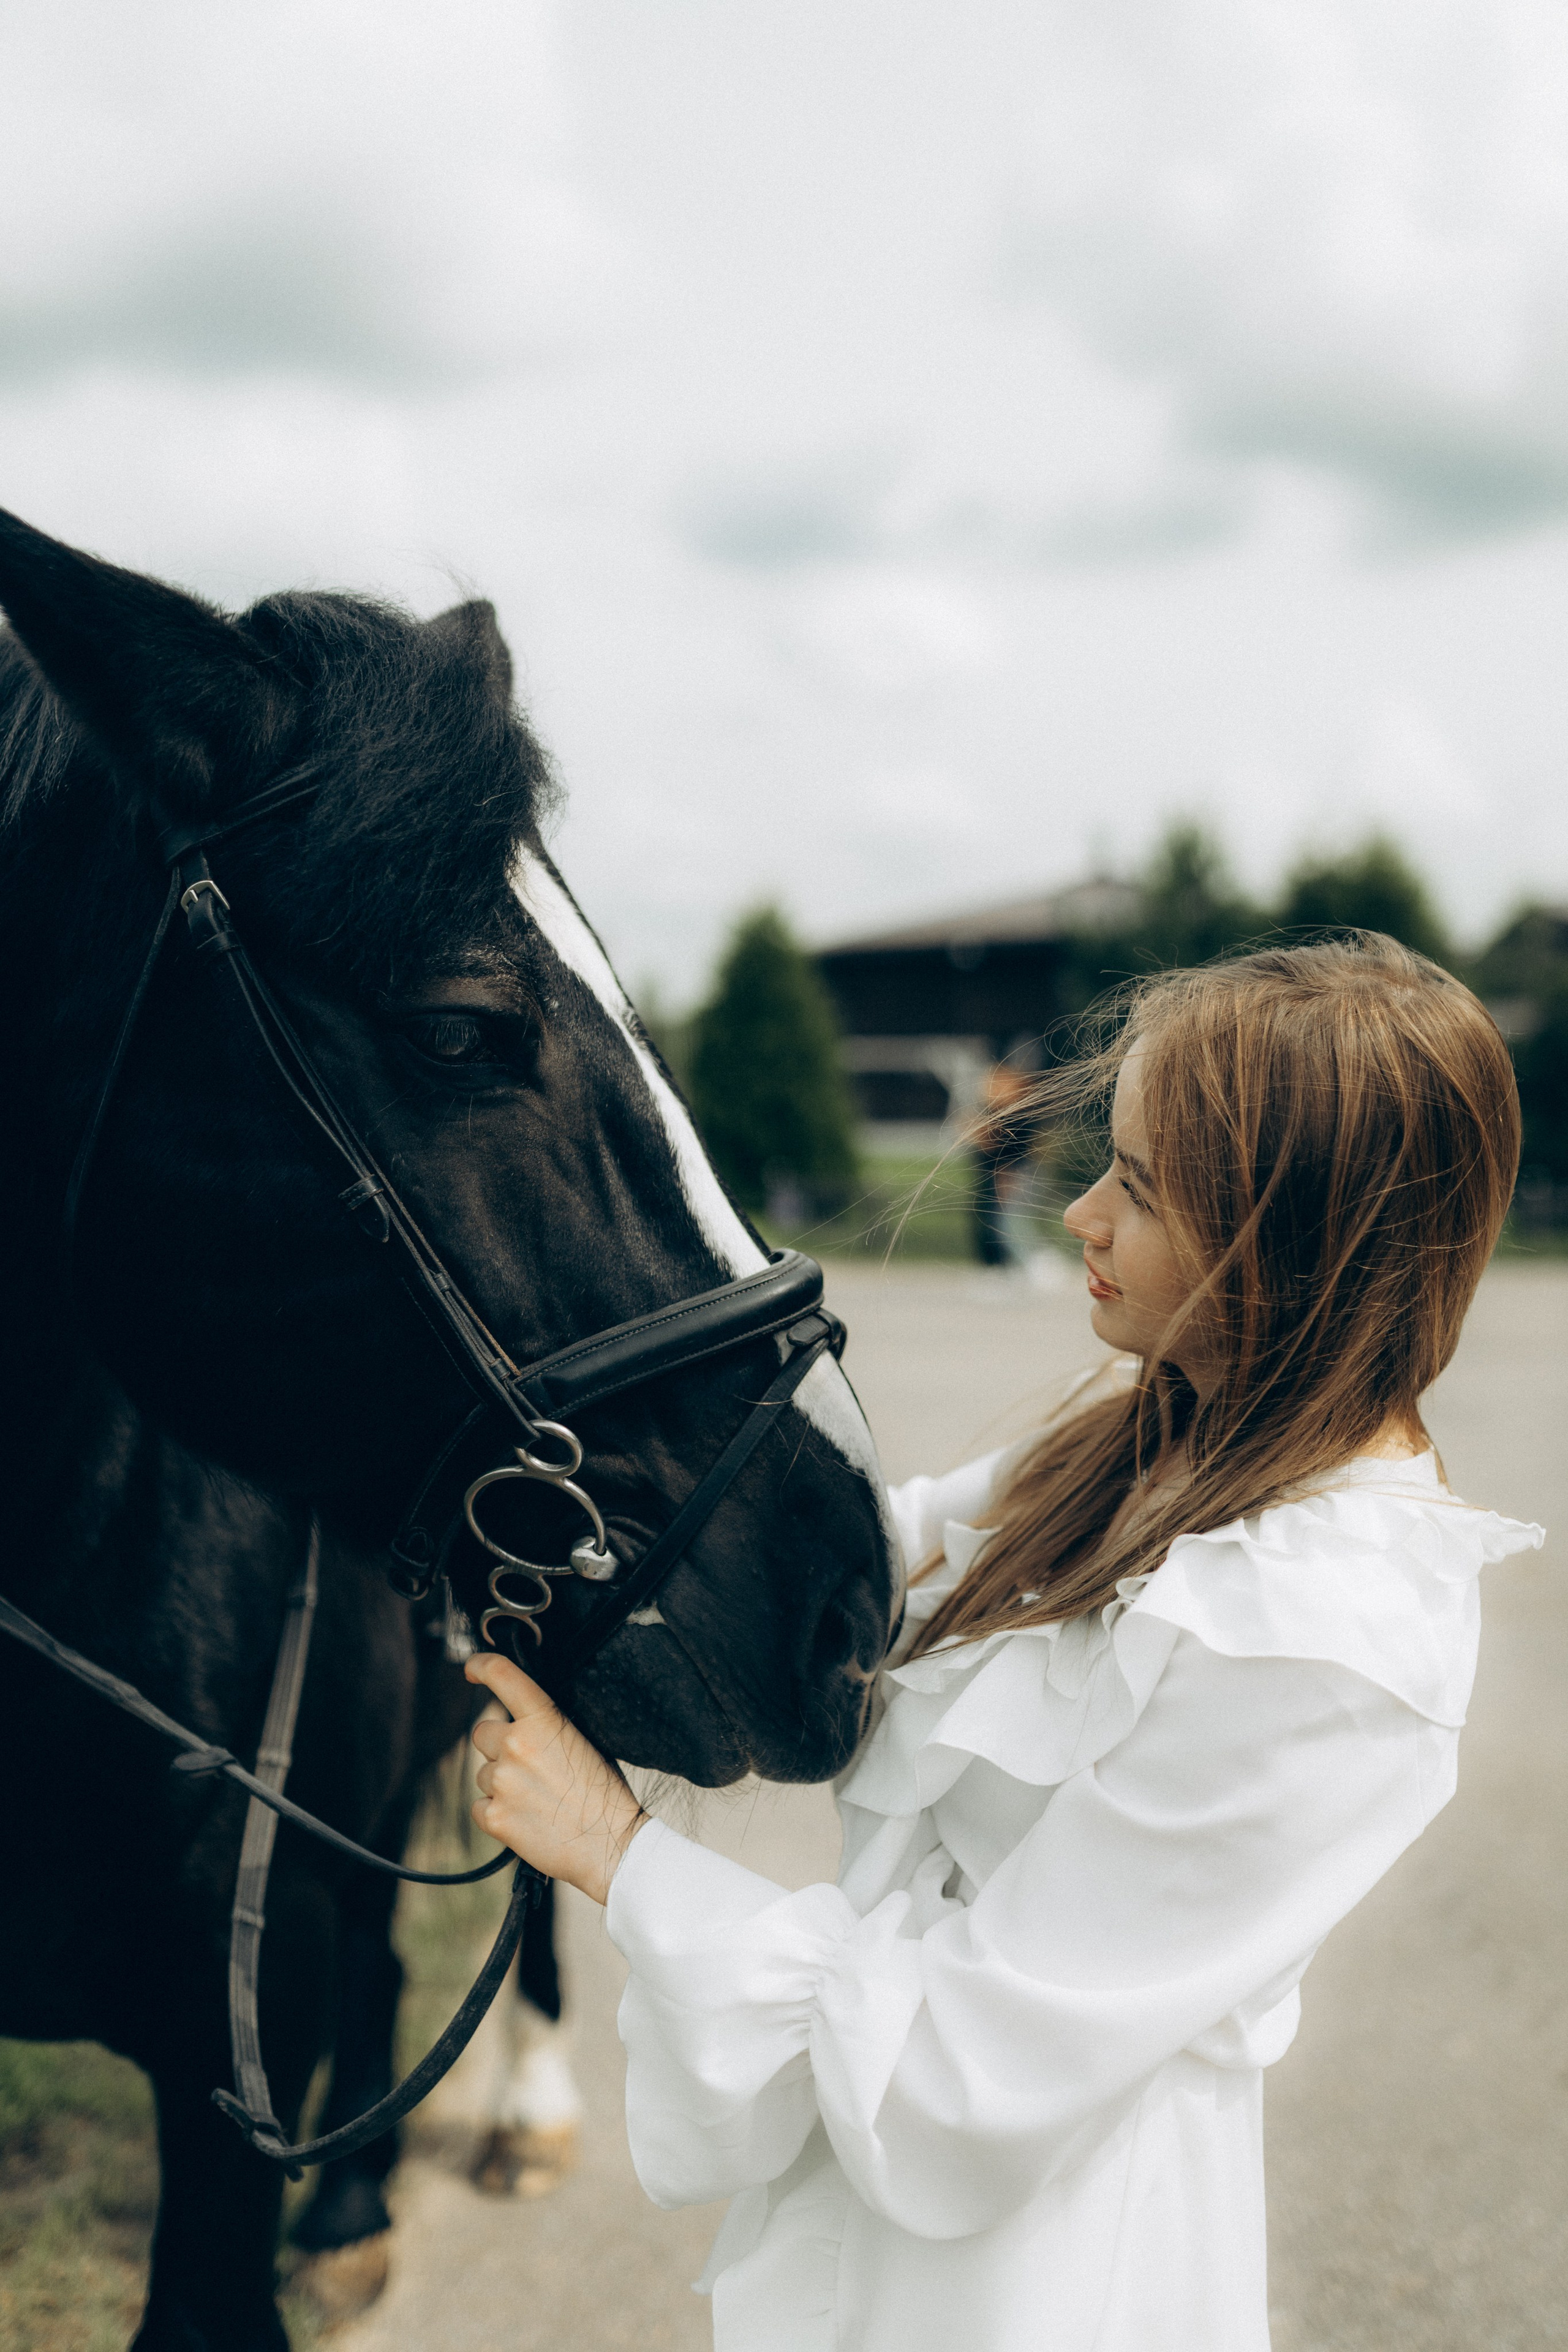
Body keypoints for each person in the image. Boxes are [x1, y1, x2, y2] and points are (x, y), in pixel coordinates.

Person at [466, 934, 1543, 2352]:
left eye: (1141, 1191)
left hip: (1042, 2273)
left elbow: (955, 2078)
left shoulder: (1322, 1647)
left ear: (1292, 1248)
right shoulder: (1156, 1434)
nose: (1078, 1216)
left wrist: (617, 1853)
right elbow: (863, 1573)